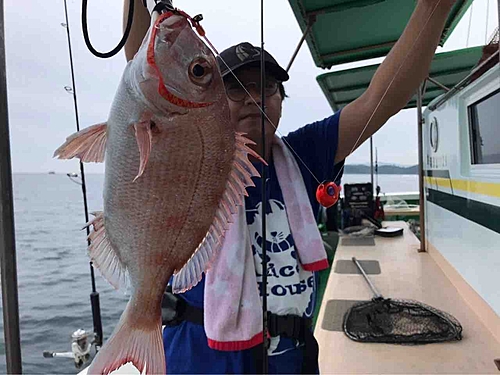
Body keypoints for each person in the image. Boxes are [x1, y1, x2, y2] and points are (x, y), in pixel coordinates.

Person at [123, 0, 459, 373]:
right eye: (238, 88)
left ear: (281, 100)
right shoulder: (184, 153)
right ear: (212, 102)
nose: (256, 97)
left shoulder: (305, 153)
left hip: (291, 359)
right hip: (197, 358)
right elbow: (143, 66)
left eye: (267, 87)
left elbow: (385, 97)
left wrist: (434, 7)